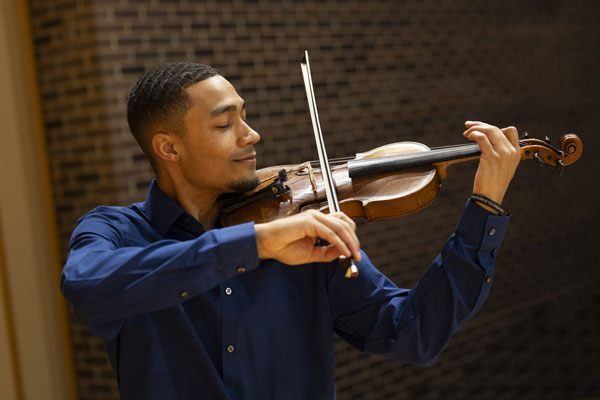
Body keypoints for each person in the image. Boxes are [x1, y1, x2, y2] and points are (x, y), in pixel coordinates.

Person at [61, 62, 521, 399]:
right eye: (225, 123)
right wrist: (256, 243)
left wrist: (484, 209)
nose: (251, 134)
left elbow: (410, 333)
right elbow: (87, 285)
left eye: (244, 115)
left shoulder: (299, 228)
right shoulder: (116, 231)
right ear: (168, 147)